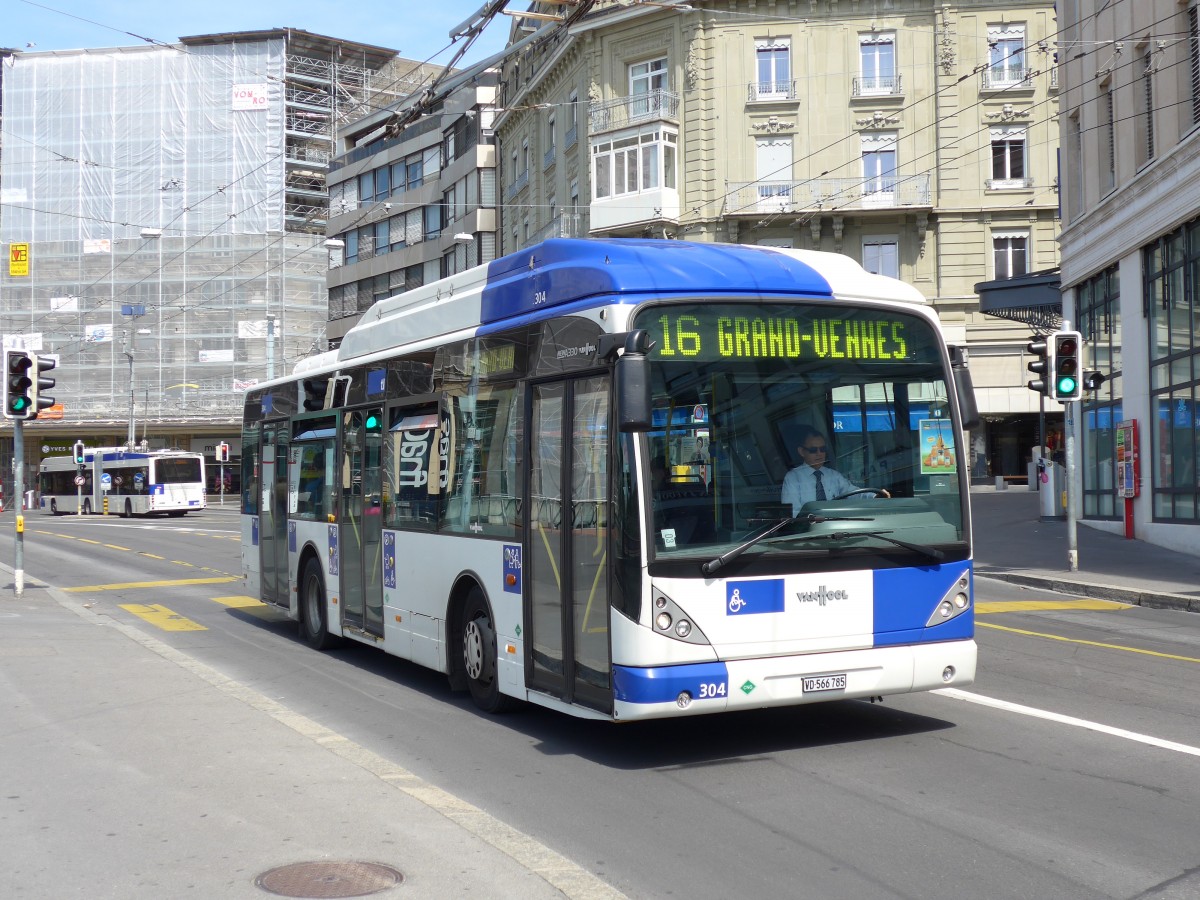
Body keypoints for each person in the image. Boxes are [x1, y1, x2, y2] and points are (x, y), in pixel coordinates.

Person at [781, 426, 887, 514]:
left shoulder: (833, 476)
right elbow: (793, 513)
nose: (819, 453)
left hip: (834, 531)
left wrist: (875, 496)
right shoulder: (793, 478)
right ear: (802, 451)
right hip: (807, 532)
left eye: (823, 449)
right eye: (813, 450)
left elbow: (853, 493)